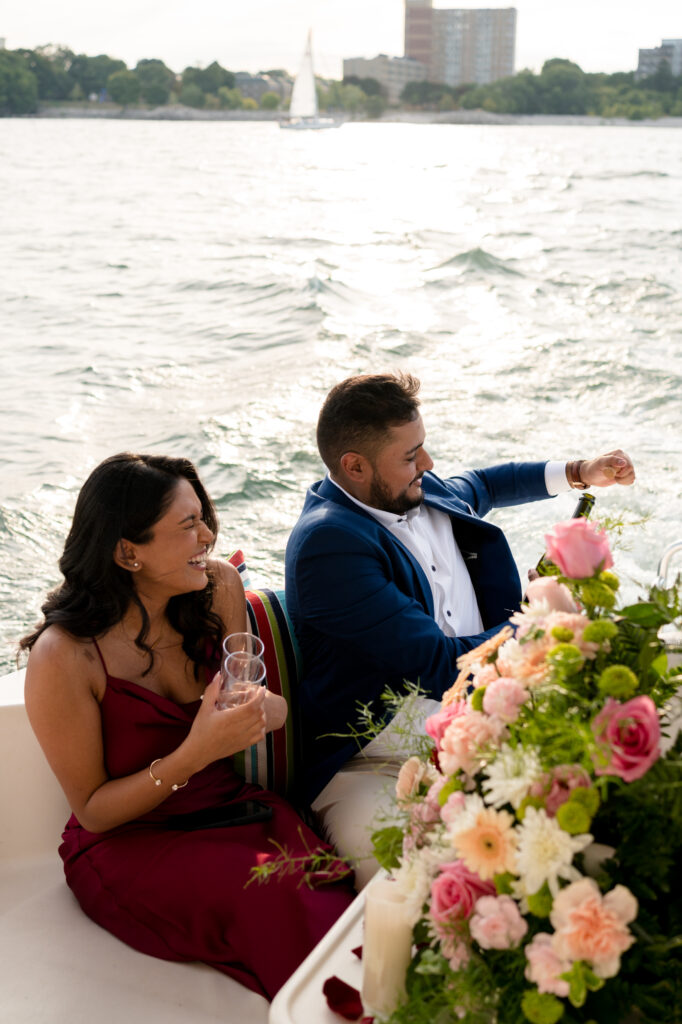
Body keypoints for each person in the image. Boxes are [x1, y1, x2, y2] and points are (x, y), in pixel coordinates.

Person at [21, 453, 354, 1000]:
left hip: (234, 810)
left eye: (203, 517)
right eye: (187, 526)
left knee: (325, 890)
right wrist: (195, 753)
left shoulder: (217, 587)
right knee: (272, 902)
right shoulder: (64, 657)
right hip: (132, 841)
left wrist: (267, 710)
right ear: (129, 551)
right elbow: (93, 811)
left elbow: (255, 700)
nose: (207, 536)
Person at [284, 372, 636, 886]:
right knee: (422, 878)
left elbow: (489, 484)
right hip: (371, 760)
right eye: (411, 456)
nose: (427, 464)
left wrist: (582, 471)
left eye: (423, 448)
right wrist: (540, 615)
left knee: (597, 814)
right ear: (354, 467)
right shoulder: (328, 546)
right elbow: (437, 665)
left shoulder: (417, 491)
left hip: (480, 716)